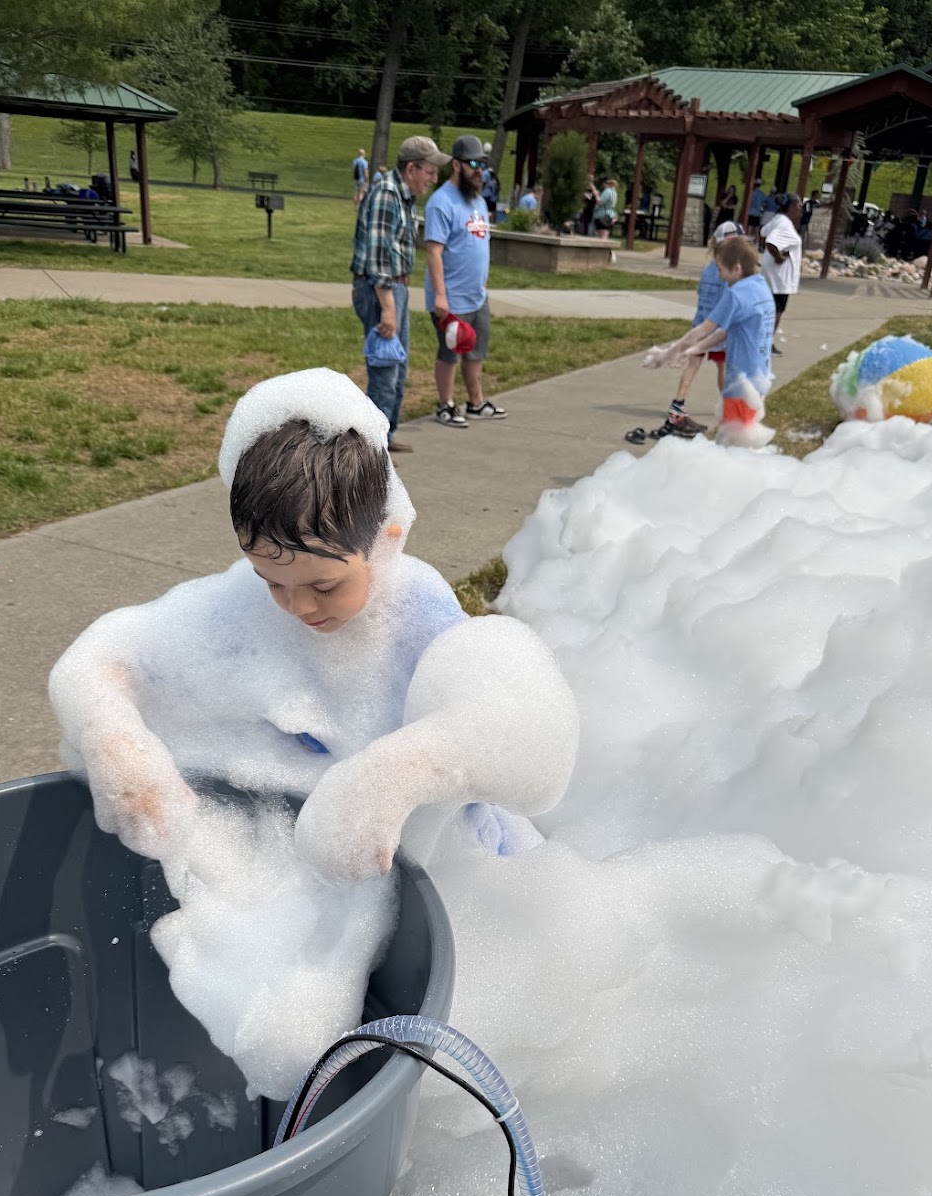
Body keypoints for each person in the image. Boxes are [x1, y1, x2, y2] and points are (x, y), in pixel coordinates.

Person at [48, 366, 578, 900]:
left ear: (386, 541)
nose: (296, 605)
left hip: (444, 876)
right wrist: (115, 743)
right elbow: (101, 665)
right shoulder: (241, 610)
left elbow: (526, 745)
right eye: (270, 580)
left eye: (324, 586)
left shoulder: (420, 622)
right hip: (301, 872)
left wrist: (397, 774)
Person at [351, 135, 448, 455]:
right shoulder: (387, 194)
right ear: (411, 169)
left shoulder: (404, 197)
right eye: (430, 172)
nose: (434, 179)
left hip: (396, 288)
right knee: (385, 371)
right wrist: (388, 308)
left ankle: (385, 436)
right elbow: (379, 259)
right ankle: (371, 452)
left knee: (398, 367)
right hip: (382, 291)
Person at [645, 235, 776, 448]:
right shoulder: (760, 287)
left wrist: (666, 355)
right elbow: (725, 333)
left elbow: (704, 329)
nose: (718, 274)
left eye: (720, 268)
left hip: (741, 383)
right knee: (743, 436)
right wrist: (691, 351)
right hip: (759, 377)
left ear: (736, 268)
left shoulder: (736, 294)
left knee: (734, 443)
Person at [627, 220, 744, 444]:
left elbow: (701, 295)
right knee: (723, 366)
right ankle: (727, 407)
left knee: (693, 365)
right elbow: (730, 301)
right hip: (716, 327)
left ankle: (677, 406)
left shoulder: (709, 268)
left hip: (700, 324)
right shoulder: (727, 272)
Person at [424, 134, 506, 428]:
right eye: (473, 164)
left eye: (482, 164)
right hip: (452, 297)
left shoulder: (479, 202)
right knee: (450, 353)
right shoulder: (441, 202)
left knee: (476, 350)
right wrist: (440, 297)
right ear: (456, 165)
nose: (478, 170)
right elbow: (434, 251)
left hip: (477, 295)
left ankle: (476, 402)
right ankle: (445, 405)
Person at [760, 192, 803, 357]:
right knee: (776, 310)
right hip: (779, 278)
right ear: (791, 207)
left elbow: (763, 232)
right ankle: (766, 343)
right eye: (799, 205)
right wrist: (778, 257)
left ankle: (763, 341)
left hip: (772, 274)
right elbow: (771, 242)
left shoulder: (778, 219)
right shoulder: (784, 224)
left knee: (770, 309)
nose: (801, 209)